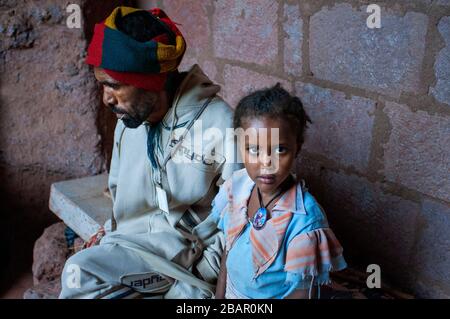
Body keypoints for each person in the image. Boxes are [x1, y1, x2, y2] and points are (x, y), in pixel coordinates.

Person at [59, 6, 240, 299]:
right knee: (83, 277)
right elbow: (121, 203)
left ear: (150, 83)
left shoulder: (221, 125)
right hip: (134, 252)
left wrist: (201, 276)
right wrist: (108, 235)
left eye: (114, 85)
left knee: (78, 272)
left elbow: (239, 219)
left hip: (188, 266)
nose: (106, 98)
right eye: (102, 85)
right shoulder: (127, 124)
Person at [211, 84, 347, 299]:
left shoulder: (305, 222)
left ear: (297, 148)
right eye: (253, 149)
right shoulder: (237, 188)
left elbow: (301, 295)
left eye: (280, 149)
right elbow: (229, 254)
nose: (266, 162)